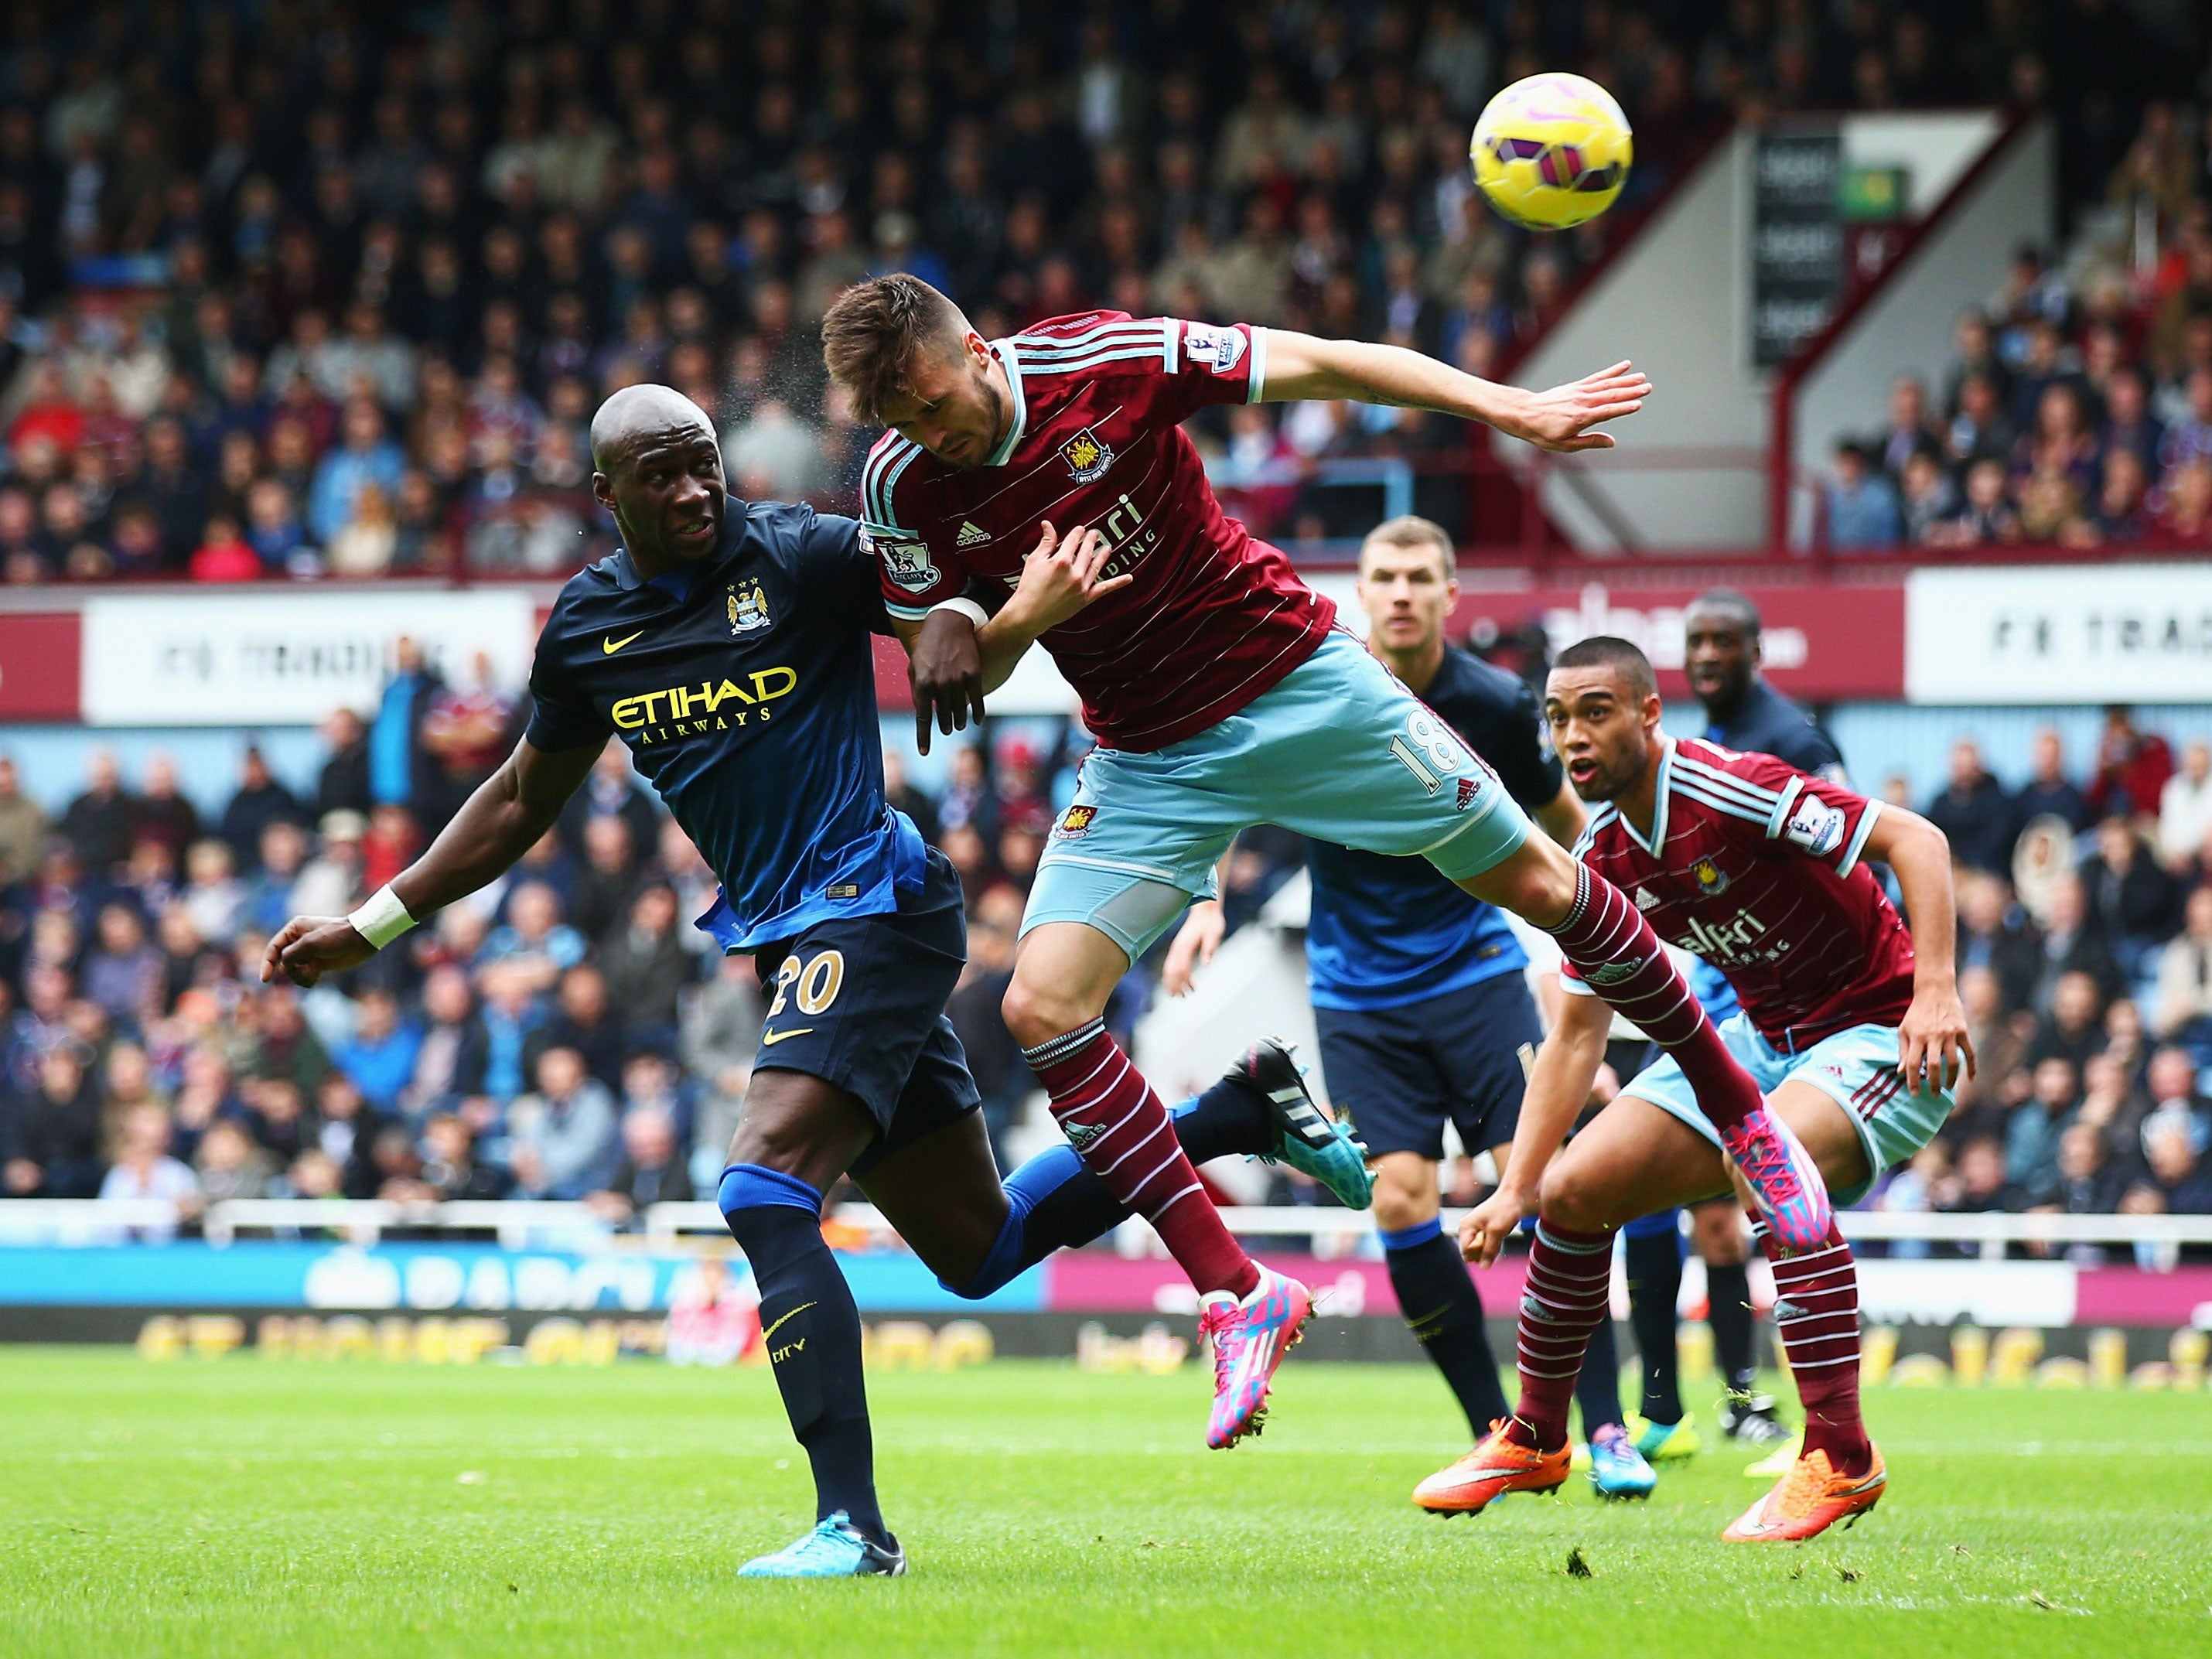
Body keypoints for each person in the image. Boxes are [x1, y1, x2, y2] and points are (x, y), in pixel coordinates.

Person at [261, 384, 1365, 1579]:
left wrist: (962, 613)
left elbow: (930, 578)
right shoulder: (587, 625)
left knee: (760, 1185)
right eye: (662, 475)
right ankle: (1239, 1110)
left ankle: (854, 1525)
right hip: (794, 935)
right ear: (606, 494)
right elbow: (525, 795)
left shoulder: (795, 551)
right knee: (978, 1249)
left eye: (703, 465)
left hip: (872, 902)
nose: (694, 490)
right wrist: (374, 925)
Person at [824, 276, 1828, 1432]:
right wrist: (1021, 616)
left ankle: (1740, 1112)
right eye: (902, 420)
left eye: (939, 404)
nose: (931, 433)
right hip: (1151, 757)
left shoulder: (1108, 360)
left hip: (1296, 687)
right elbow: (960, 670)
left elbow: (1333, 361)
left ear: (978, 350)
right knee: (1044, 1003)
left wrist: (1516, 411)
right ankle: (1238, 1293)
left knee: (1550, 887)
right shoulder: (900, 486)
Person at [1440, 637, 1971, 1544]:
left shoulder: (1731, 786)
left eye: (1596, 712)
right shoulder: (1602, 855)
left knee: (1764, 1157)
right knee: (1576, 1193)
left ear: (1649, 714)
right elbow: (1576, 1031)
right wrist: (1516, 1186)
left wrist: (1935, 989)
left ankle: (1841, 1457)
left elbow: (1915, 839)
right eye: (1559, 718)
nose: (1574, 736)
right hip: (1763, 1044)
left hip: (1883, 1033)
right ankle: (1534, 1434)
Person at [1162, 513, 1650, 1497]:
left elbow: (1567, 833)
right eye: (1382, 574)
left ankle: (1602, 1427)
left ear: (1449, 594)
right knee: (1399, 1198)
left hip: (1474, 980)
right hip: (1355, 998)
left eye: (1419, 576)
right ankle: (1495, 1427)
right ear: (1361, 589)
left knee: (1549, 1187)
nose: (1399, 592)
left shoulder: (1500, 705)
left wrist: (1599, 955)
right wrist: (1204, 899)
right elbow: (1223, 783)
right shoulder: (1312, 691)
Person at [1623, 589, 1852, 1466]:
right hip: (1701, 997)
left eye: (1724, 640)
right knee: (1658, 1193)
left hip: (1773, 1007)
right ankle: (1666, 1406)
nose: (1708, 654)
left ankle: (1775, 1412)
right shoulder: (1684, 744)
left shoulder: (1791, 742)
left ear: (1757, 649)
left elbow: (1843, 859)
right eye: (1695, 642)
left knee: (1753, 1204)